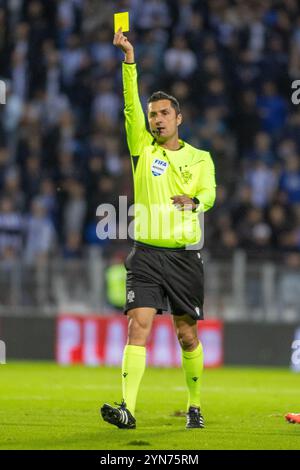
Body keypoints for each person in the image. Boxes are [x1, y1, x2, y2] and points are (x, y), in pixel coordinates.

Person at [100, 28, 216, 430]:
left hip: (184, 257)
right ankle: (128, 409)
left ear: (178, 118)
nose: (157, 119)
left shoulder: (201, 159)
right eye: (153, 115)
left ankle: (195, 405)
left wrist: (196, 202)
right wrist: (129, 59)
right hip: (146, 254)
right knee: (138, 325)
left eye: (164, 113)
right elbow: (130, 103)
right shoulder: (142, 148)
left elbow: (210, 192)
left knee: (187, 336)